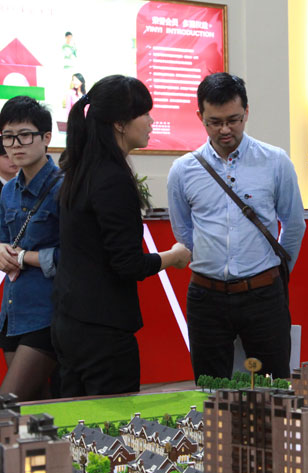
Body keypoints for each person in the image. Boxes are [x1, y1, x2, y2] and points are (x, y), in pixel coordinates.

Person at [52, 75, 191, 397]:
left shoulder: (80, 169)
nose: (151, 121)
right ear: (119, 123)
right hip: (103, 329)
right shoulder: (112, 178)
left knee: (77, 418)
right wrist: (174, 256)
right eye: (144, 113)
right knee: (112, 422)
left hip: (70, 319)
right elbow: (127, 264)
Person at [167, 72, 306, 380]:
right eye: (214, 122)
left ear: (247, 112)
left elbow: (294, 224)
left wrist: (278, 272)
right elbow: (183, 231)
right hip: (206, 296)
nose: (225, 129)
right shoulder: (183, 170)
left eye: (233, 120)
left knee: (273, 386)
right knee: (210, 387)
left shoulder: (275, 161)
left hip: (264, 293)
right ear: (200, 117)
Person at [0, 96, 62, 402]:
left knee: (6, 406)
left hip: (49, 313)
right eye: (8, 136)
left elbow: (77, 258)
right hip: (13, 311)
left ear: (46, 137)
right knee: (34, 409)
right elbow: (6, 244)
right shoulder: (8, 191)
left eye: (25, 135)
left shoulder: (64, 187)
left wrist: (22, 257)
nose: (16, 144)